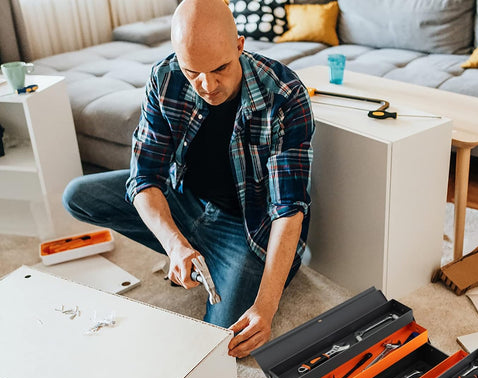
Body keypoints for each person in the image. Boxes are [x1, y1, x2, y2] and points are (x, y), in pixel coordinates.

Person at [62, 0, 314, 358]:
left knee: (224, 342)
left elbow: (288, 209)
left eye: (220, 69)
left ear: (239, 46)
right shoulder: (165, 78)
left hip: (245, 226)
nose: (207, 85)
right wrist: (174, 243)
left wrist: (266, 306)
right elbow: (144, 177)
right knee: (78, 194)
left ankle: (229, 263)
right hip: (185, 200)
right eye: (192, 71)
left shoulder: (285, 95)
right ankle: (193, 252)